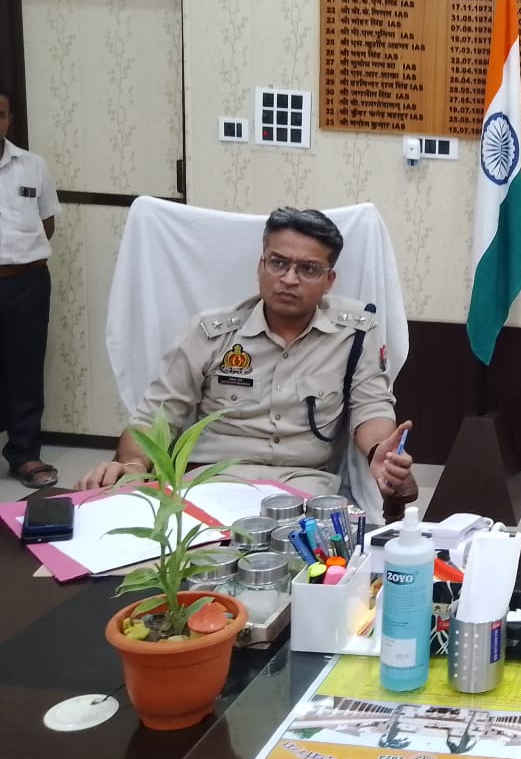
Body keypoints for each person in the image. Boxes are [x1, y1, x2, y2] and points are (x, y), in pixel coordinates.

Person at [77, 207, 416, 517]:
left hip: (304, 486)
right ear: (260, 266)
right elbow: (156, 415)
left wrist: (379, 453)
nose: (289, 278)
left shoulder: (354, 333)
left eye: (308, 269)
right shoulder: (210, 333)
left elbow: (371, 407)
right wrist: (133, 466)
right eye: (278, 263)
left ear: (329, 281)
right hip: (213, 482)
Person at [0, 87, 62, 488]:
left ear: (8, 119)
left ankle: (24, 454)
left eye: (0, 114)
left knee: (25, 368)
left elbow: (47, 222)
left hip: (27, 282)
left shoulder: (32, 166)